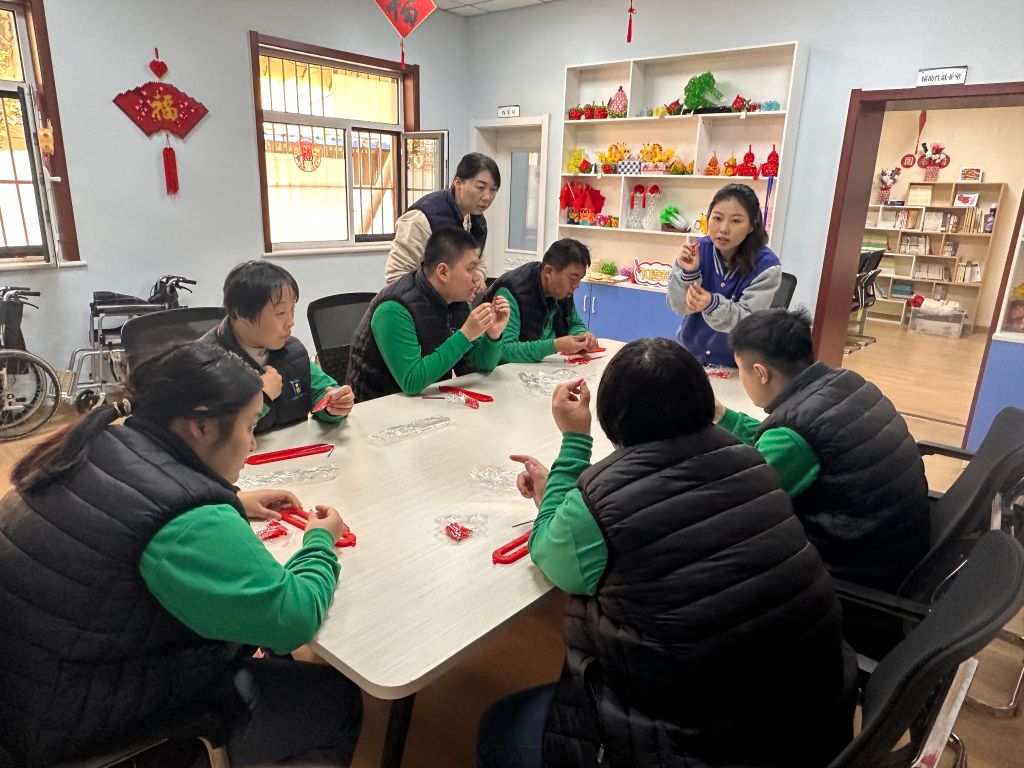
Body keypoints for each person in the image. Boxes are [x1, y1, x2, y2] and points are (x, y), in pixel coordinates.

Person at [478, 338, 855, 768]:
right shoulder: (753, 461)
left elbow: (549, 551)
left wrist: (574, 443)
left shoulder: (600, 505)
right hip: (818, 717)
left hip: (710, 746)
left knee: (498, 729)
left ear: (611, 421)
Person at [0, 343, 361, 767]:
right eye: (249, 427)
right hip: (80, 721)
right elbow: (293, 617)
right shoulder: (186, 522)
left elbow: (133, 510)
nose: (250, 445)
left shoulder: (101, 443)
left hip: (32, 686)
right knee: (333, 701)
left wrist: (233, 500)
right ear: (201, 426)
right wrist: (319, 542)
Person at [720, 308, 930, 594]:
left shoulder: (793, 435)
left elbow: (738, 504)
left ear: (760, 373)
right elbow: (792, 438)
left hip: (854, 574)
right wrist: (723, 416)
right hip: (898, 546)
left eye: (741, 371)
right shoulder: (846, 382)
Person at [348, 226, 510, 402]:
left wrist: (493, 336)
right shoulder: (394, 308)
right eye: (470, 269)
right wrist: (466, 335)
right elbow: (411, 381)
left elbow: (476, 367)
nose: (477, 278)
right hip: (377, 408)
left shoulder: (458, 302)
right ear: (443, 272)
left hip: (427, 402)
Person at [203, 260, 354, 433]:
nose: (290, 322)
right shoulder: (207, 363)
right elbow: (211, 434)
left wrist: (334, 404)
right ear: (241, 314)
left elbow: (321, 390)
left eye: (292, 310)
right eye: (281, 312)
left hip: (298, 447)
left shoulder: (292, 351)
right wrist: (261, 398)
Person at [666, 182, 782, 366]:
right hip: (690, 357)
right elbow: (678, 305)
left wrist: (712, 304)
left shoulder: (766, 266)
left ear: (752, 226)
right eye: (717, 218)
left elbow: (748, 323)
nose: (723, 229)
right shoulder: (696, 251)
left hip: (739, 366)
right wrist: (689, 273)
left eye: (736, 221)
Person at [385, 152, 500, 289]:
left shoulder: (477, 220)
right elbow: (396, 277)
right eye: (480, 187)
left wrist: (476, 278)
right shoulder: (422, 219)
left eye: (493, 190)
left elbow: (479, 264)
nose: (487, 197)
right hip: (422, 301)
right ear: (458, 183)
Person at [480, 238, 598, 363]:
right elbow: (504, 351)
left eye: (579, 279)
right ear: (548, 271)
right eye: (572, 278)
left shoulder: (562, 290)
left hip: (542, 366)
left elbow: (575, 324)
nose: (576, 285)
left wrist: (582, 336)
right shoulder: (511, 291)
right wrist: (555, 346)